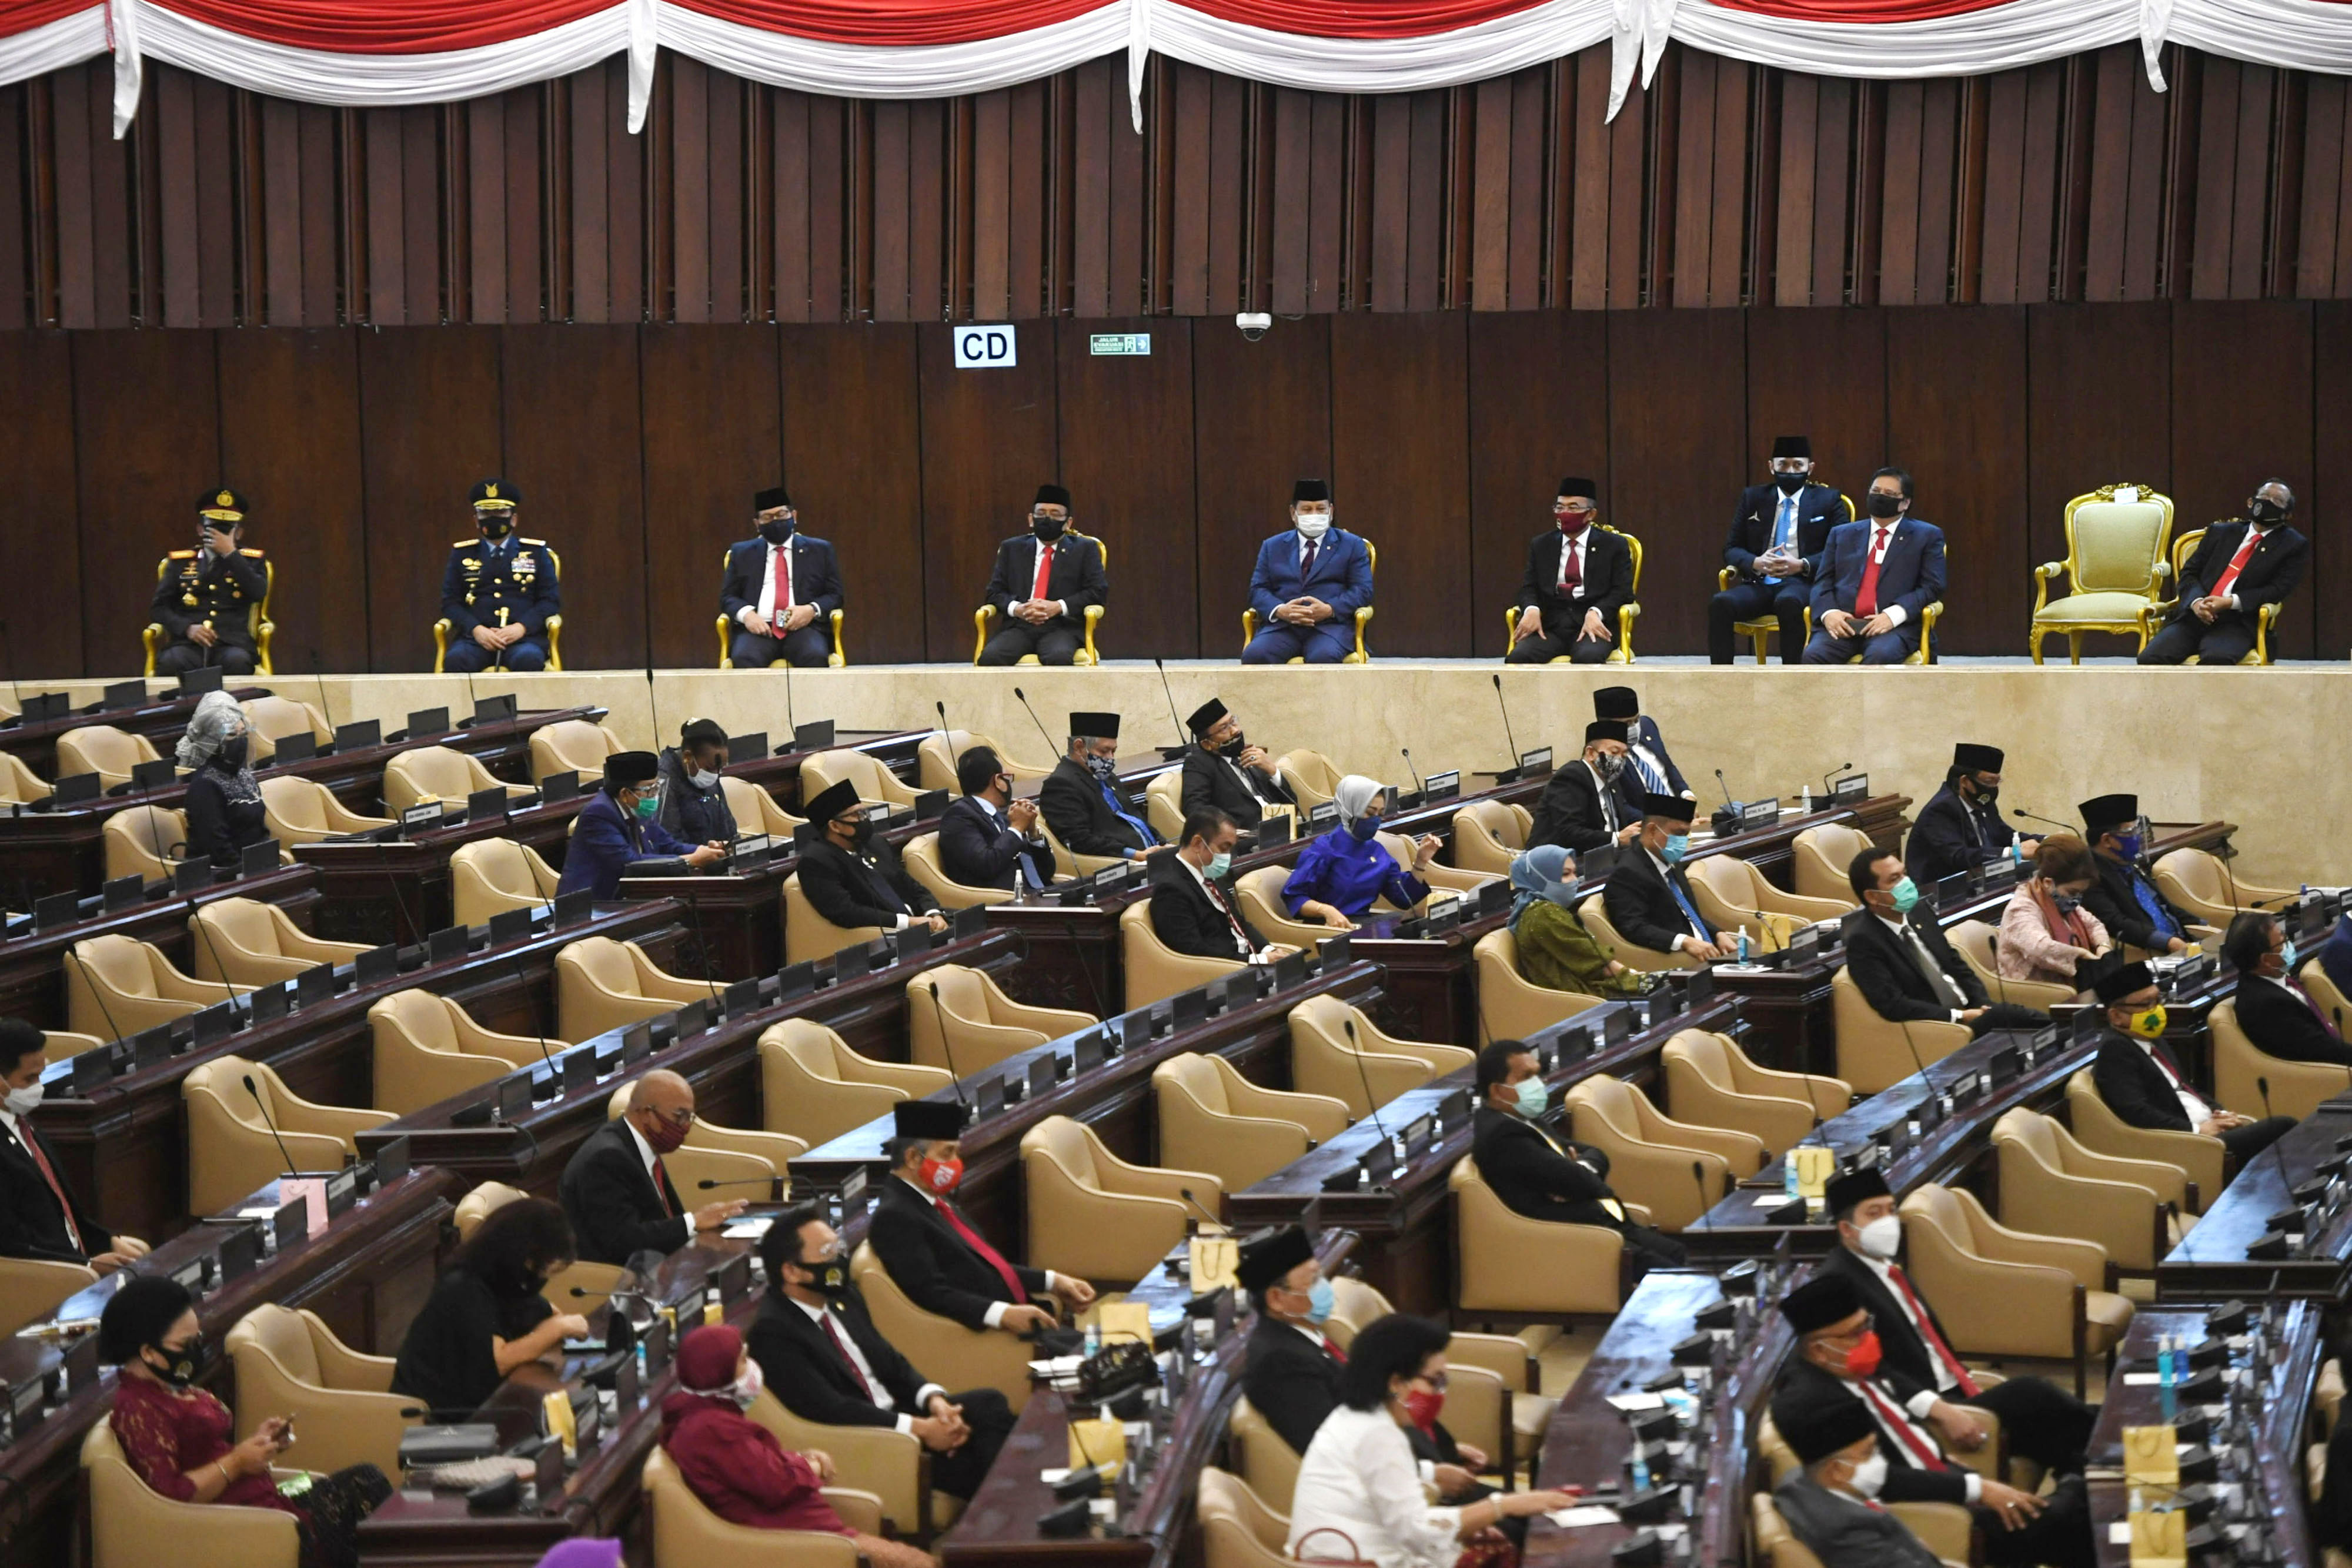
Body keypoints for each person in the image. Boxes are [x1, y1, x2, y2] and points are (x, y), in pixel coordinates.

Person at [1769, 1273, 2092, 1568]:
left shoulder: (1847, 1359)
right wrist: (1977, 1487)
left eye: (1867, 1324)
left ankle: (2097, 1458)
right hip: (1930, 1505)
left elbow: (1889, 1381)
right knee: (2074, 1512)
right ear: (1820, 1350)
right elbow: (1874, 1478)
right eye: (1856, 1333)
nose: (1868, 1338)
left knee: (2033, 1401)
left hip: (1943, 1470)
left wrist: (1936, 1435)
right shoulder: (1810, 1403)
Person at [1816, 1169, 2094, 1476]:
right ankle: (2113, 1442)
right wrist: (1941, 1410)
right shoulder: (1838, 1283)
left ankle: (2090, 1475)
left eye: (1891, 1210)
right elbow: (1864, 1369)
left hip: (1956, 1387)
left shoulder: (1882, 1265)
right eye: (1874, 1213)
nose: (1888, 1221)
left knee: (2057, 1436)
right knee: (2034, 1394)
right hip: (1923, 1409)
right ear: (1847, 1229)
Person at [103, 1273, 391, 1568]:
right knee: (362, 1493)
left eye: (197, 1340)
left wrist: (260, 1446)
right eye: (184, 1344)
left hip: (267, 1497)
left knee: (365, 1482)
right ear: (148, 1351)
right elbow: (173, 1497)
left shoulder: (171, 1384)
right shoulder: (138, 1408)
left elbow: (209, 1453)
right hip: (245, 1523)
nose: (194, 1352)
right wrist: (239, 1461)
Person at [1236, 1228, 1501, 1528]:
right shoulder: (1280, 1362)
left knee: (1535, 1517)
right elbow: (1335, 1451)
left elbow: (1374, 1408)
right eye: (1313, 1282)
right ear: (1276, 1299)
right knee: (1533, 1525)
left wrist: (1447, 1452)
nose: (1324, 1289)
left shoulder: (1303, 1337)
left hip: (1410, 1469)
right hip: (1396, 1501)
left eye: (1321, 1276)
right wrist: (1428, 1473)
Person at [748, 1203, 1013, 1499]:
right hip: (870, 1440)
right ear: (792, 1271)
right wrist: (921, 1430)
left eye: (838, 1248)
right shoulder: (774, 1332)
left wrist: (936, 1402)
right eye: (827, 1254)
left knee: (989, 1405)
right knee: (982, 1461)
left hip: (901, 1414)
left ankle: (1006, 1505)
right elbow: (833, 1408)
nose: (839, 1261)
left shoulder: (843, 1296)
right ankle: (1005, 1514)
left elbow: (890, 1361)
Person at [1286, 1313, 1576, 1568]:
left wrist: (1467, 1525)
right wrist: (1503, 1506)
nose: (1441, 1394)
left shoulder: (1358, 1416)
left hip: (1365, 1547)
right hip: (1355, 1560)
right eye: (1434, 1381)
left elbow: (1402, 1514)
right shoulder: (1377, 1434)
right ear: (1395, 1382)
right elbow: (1415, 1529)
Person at [659, 1323, 938, 1568]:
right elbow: (776, 1484)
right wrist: (811, 1466)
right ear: (718, 1372)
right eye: (744, 1360)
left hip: (815, 1533)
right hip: (801, 1543)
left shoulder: (710, 1418)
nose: (753, 1365)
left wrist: (798, 1459)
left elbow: (755, 1468)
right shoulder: (711, 1431)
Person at [868, 1100, 1095, 1335]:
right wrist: (1002, 1314)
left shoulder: (936, 1200)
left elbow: (986, 1268)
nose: (957, 1163)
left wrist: (1054, 1281)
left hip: (1026, 1319)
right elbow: (931, 1294)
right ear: (914, 1158)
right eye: (948, 1152)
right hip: (997, 1336)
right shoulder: (895, 1217)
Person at [1471, 1040, 1685, 1276]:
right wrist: (1576, 1170)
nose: (1537, 1083)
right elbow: (1583, 1182)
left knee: (1680, 1254)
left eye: (1537, 1074)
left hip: (1605, 1222)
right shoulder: (1504, 1136)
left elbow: (1596, 1154)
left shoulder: (1522, 1118)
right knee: (1676, 1275)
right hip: (1577, 1238)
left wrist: (1578, 1167)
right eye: (1526, 1077)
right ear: (1496, 1090)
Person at [391, 1196, 589, 1420]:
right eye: (545, 1272)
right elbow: (500, 1361)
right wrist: (557, 1330)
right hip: (437, 1421)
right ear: (527, 1259)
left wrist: (557, 1327)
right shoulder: (463, 1288)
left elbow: (547, 1314)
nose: (540, 1281)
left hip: (480, 1408)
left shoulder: (506, 1281)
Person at [2090, 961, 2293, 1164]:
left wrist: (2218, 1112)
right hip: (2185, 1143)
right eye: (2146, 1004)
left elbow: (2187, 1088)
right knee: (2284, 1126)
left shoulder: (2151, 1037)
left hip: (2206, 1126)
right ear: (2116, 1016)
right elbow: (2138, 1113)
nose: (2156, 1010)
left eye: (2158, 1000)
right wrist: (2197, 1130)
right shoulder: (2114, 1050)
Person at [1844, 848, 2047, 1038]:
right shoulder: (1864, 940)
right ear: (1871, 896)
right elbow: (1894, 1005)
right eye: (1894, 879)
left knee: (2022, 1021)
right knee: (2021, 1020)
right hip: (1939, 1027)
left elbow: (1954, 962)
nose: (1906, 883)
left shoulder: (1919, 911)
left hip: (1973, 1011)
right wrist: (1958, 1016)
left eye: (1904, 874)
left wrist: (1982, 1004)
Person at [557, 1069, 748, 1265]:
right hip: (617, 1281)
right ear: (647, 1114)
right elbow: (622, 1241)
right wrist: (693, 1222)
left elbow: (657, 1220)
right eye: (679, 1116)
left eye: (689, 1117)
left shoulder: (640, 1146)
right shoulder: (605, 1159)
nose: (686, 1127)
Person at [0, 1017, 147, 1269]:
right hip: (43, 1273)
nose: (39, 1088)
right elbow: (11, 1244)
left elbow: (64, 1210)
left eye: (40, 1076)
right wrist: (86, 1265)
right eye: (29, 1079)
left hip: (72, 1256)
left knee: (142, 1257)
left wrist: (107, 1241)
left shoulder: (25, 1124)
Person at [1770, 1378, 1946, 1568]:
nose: (1878, 1459)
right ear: (1836, 1470)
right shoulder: (1847, 1532)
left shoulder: (1795, 1482)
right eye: (1868, 1452)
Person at [2140, 480, 2307, 666]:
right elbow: (2189, 573)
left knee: (2217, 660)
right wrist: (2197, 603)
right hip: (2194, 616)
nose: (2268, 502)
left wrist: (2230, 603)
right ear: (2251, 502)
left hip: (2237, 622)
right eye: (2264, 497)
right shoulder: (2220, 532)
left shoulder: (2293, 545)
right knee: (2150, 658)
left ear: (2287, 514)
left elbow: (2277, 590)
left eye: (2277, 500)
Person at [1710, 437, 1843, 666]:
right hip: (1759, 584)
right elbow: (1731, 549)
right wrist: (1756, 562)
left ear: (1810, 468)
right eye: (1783, 465)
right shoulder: (1753, 498)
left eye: (1797, 466)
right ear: (1771, 466)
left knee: (1788, 602)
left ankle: (1792, 681)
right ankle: (1722, 682)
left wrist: (1802, 564)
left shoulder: (1828, 500)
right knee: (1720, 604)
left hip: (1802, 584)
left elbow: (1841, 553)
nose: (1790, 471)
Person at [1803, 468, 1945, 665]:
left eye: (1889, 494)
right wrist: (1829, 613)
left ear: (1905, 503)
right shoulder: (1841, 534)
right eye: (1876, 492)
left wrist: (1893, 615)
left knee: (1880, 656)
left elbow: (1932, 586)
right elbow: (1823, 582)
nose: (1880, 497)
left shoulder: (1926, 536)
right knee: (1814, 655)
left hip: (1894, 627)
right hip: (1845, 624)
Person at [555, 751, 726, 901]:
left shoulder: (637, 809)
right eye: (649, 790)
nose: (654, 796)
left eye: (656, 788)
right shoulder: (599, 814)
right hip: (590, 906)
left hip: (627, 898)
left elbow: (667, 845)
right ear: (624, 794)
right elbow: (629, 863)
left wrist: (705, 850)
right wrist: (690, 861)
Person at [1244, 480, 1374, 664]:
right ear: (1293, 513)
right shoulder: (1272, 546)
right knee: (1255, 656)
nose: (1314, 515)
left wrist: (1330, 609)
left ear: (1331, 512)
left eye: (1321, 509)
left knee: (1322, 657)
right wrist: (1281, 610)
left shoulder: (1351, 545)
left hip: (1330, 628)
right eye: (1307, 509)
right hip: (1284, 627)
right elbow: (1257, 590)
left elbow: (1363, 590)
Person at [1508, 477, 1635, 666]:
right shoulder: (1542, 545)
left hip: (1593, 626)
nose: (1564, 513)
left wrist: (1596, 612)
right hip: (1551, 627)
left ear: (1591, 514)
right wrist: (1532, 610)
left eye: (1573, 508)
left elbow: (1623, 591)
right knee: (1519, 657)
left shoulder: (1613, 545)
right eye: (1560, 508)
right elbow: (1529, 587)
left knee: (1587, 657)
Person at [1280, 776, 1435, 930]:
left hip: (1363, 925)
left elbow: (1404, 898)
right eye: (1369, 813)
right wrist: (1326, 910)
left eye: (1380, 814)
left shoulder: (1376, 850)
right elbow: (1294, 896)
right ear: (1349, 810)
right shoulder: (1324, 850)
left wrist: (1421, 861)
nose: (1375, 820)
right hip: (1329, 928)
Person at [797, 778, 947, 935]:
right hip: (887, 934)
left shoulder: (875, 843)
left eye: (865, 812)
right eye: (857, 815)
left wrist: (934, 914)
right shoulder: (816, 861)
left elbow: (910, 885)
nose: (865, 820)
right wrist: (908, 923)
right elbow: (847, 912)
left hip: (923, 921)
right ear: (835, 826)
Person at [977, 484, 1107, 666]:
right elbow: (994, 593)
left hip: (1062, 627)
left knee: (1058, 657)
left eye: (1055, 514)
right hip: (1020, 625)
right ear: (1031, 519)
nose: (1047, 519)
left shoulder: (1084, 549)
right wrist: (1019, 609)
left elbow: (1097, 591)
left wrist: (1058, 606)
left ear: (1068, 523)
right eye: (1041, 513)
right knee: (990, 657)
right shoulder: (1011, 548)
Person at [720, 485, 846, 669]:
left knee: (814, 656)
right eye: (767, 518)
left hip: (804, 628)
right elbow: (727, 597)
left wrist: (811, 610)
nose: (775, 521)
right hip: (758, 629)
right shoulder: (742, 553)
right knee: (745, 659)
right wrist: (747, 615)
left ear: (794, 516)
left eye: (781, 515)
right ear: (757, 524)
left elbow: (836, 595)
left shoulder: (820, 550)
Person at [440, 479, 559, 673]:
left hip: (523, 639)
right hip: (475, 641)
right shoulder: (462, 554)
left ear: (513, 519)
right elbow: (451, 603)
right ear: (476, 520)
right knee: (456, 660)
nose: (492, 518)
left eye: (500, 513)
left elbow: (550, 601)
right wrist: (477, 630)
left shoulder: (536, 552)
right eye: (486, 513)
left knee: (528, 660)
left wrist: (521, 628)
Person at [1148, 807, 1294, 964]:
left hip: (1245, 961)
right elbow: (1193, 951)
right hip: (1222, 972)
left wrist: (1268, 950)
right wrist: (1257, 960)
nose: (1227, 856)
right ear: (1197, 843)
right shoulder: (1171, 889)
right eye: (1224, 848)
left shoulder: (1211, 875)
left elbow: (1240, 923)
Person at [153, 489, 269, 677]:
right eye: (213, 528)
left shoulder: (252, 561)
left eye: (226, 529)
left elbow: (258, 592)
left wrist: (231, 554)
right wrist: (187, 628)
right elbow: (159, 608)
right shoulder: (180, 562)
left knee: (237, 662)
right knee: (171, 661)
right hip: (188, 643)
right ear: (200, 530)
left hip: (232, 644)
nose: (218, 535)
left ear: (239, 533)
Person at [1602, 794, 1731, 962]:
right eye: (1679, 833)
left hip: (1705, 953)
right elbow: (1634, 927)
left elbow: (1686, 914)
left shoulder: (1670, 861)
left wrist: (1717, 933)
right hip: (1676, 963)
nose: (1683, 841)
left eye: (1686, 834)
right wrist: (1683, 942)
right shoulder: (1627, 873)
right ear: (1652, 830)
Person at [1507, 847, 1644, 999]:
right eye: (1566, 874)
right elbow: (1599, 964)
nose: (1574, 880)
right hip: (1585, 998)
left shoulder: (1534, 910)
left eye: (1575, 873)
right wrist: (1642, 980)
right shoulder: (1544, 914)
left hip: (1584, 993)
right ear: (1540, 877)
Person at [2223, 911, 2352, 1066]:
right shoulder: (2266, 1006)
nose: (2288, 945)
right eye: (2283, 942)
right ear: (2266, 960)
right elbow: (2321, 1049)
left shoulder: (2272, 979)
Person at [2076, 794, 2199, 957]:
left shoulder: (2127, 862)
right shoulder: (2089, 876)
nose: (2138, 837)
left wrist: (2202, 924)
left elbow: (2163, 906)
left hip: (2181, 943)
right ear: (2107, 841)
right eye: (2131, 832)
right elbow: (2115, 923)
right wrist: (2168, 942)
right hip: (2151, 955)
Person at [1904, 743, 2036, 886]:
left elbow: (2005, 835)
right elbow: (1959, 856)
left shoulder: (1983, 803)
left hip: (1980, 882)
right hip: (1940, 892)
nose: (1993, 789)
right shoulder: (1940, 809)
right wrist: (2014, 852)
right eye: (1988, 782)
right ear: (1965, 781)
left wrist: (2048, 842)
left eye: (1997, 782)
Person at [1994, 834, 2113, 989]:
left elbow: (2094, 925)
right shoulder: (2021, 909)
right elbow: (2040, 949)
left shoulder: (2060, 901)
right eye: (2072, 892)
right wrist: (2081, 955)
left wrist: (2103, 946)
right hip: (2036, 992)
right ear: (2048, 883)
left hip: (2067, 987)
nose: (2076, 899)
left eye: (2080, 893)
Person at [1038, 711, 1158, 861]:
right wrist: (1135, 855)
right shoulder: (1060, 785)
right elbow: (1079, 840)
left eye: (1113, 751)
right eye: (1104, 751)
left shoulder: (1107, 777)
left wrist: (1162, 844)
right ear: (1079, 747)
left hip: (1150, 856)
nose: (1110, 759)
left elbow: (1135, 817)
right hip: (1121, 863)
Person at [177, 690, 273, 869]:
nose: (240, 741)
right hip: (222, 874)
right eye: (231, 735)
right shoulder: (204, 786)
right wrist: (248, 871)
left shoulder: (244, 776)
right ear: (215, 741)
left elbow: (260, 830)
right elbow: (217, 848)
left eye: (243, 734)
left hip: (255, 869)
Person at [938, 745, 1054, 892]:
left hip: (1041, 894)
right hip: (1007, 904)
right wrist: (1017, 828)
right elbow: (986, 865)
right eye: (1007, 777)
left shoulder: (1003, 816)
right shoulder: (958, 817)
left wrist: (1033, 834)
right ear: (998, 780)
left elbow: (1047, 871)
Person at [1180, 697, 1295, 830]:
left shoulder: (1248, 754)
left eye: (1233, 722)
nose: (1235, 731)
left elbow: (1293, 806)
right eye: (1224, 728)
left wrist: (1273, 771)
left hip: (1282, 830)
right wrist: (1231, 833)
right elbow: (1196, 811)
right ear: (1207, 744)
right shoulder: (1199, 764)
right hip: (1249, 840)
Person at [1529, 721, 1639, 854]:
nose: (1620, 760)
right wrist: (1617, 838)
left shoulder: (1612, 781)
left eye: (1624, 755)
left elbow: (1624, 819)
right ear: (1591, 753)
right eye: (1614, 752)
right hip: (1561, 864)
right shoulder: (1571, 777)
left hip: (1605, 860)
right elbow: (1569, 832)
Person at [1592, 686, 1686, 814]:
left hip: (1678, 812)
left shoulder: (1647, 725)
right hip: (1647, 822)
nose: (1634, 728)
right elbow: (1619, 806)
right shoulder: (1602, 755)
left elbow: (1668, 765)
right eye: (1626, 724)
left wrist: (1686, 795)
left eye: (1636, 720)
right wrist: (1672, 820)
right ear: (1606, 726)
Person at [657, 718, 740, 847]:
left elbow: (731, 831)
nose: (715, 774)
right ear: (688, 757)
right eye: (710, 768)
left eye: (720, 769)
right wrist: (702, 854)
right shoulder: (664, 779)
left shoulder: (711, 772)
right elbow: (668, 843)